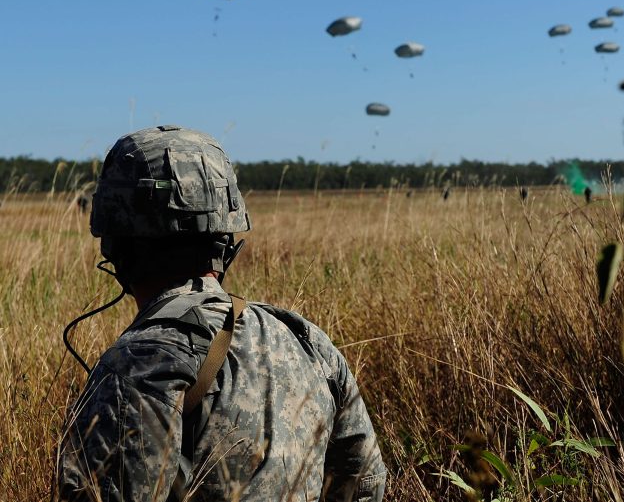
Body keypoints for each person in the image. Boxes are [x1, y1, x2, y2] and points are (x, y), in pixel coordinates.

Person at [55, 125, 386, 502]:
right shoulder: (306, 340)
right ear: (225, 237)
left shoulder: (137, 364)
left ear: (115, 242)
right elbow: (365, 486)